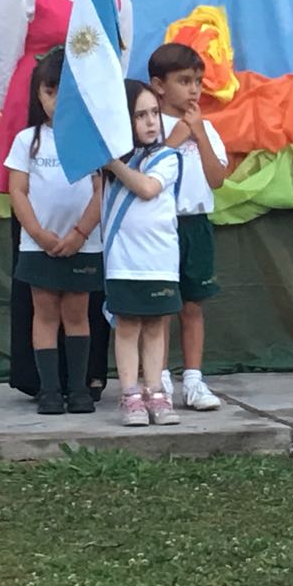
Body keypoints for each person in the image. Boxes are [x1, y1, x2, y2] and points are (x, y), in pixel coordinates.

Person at [0, 0, 132, 401]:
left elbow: (120, 58)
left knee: (89, 253)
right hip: (36, 130)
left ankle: (88, 374)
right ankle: (38, 377)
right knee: (36, 256)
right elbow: (5, 68)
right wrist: (25, 131)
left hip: (91, 128)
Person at [4, 48, 103, 415]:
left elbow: (101, 191)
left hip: (83, 246)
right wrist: (39, 234)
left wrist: (79, 233)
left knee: (77, 315)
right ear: (39, 94)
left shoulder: (91, 140)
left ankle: (78, 389)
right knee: (44, 314)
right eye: (50, 91)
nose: (58, 100)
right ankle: (49, 390)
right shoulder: (26, 140)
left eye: (67, 91)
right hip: (38, 247)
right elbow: (18, 191)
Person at [148, 43, 229, 410]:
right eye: (184, 81)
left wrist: (198, 134)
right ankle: (159, 378)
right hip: (159, 225)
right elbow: (145, 171)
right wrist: (175, 139)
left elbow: (217, 179)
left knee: (192, 305)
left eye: (197, 81)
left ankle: (194, 381)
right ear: (159, 85)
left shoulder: (206, 127)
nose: (193, 89)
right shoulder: (148, 125)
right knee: (161, 306)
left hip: (195, 225)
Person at [102, 81, 183, 427]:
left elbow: (148, 188)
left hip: (160, 263)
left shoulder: (167, 158)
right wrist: (110, 159)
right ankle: (131, 395)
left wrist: (113, 165)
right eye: (139, 115)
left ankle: (156, 393)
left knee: (154, 327)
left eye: (154, 113)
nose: (151, 122)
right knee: (127, 326)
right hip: (123, 263)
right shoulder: (111, 164)